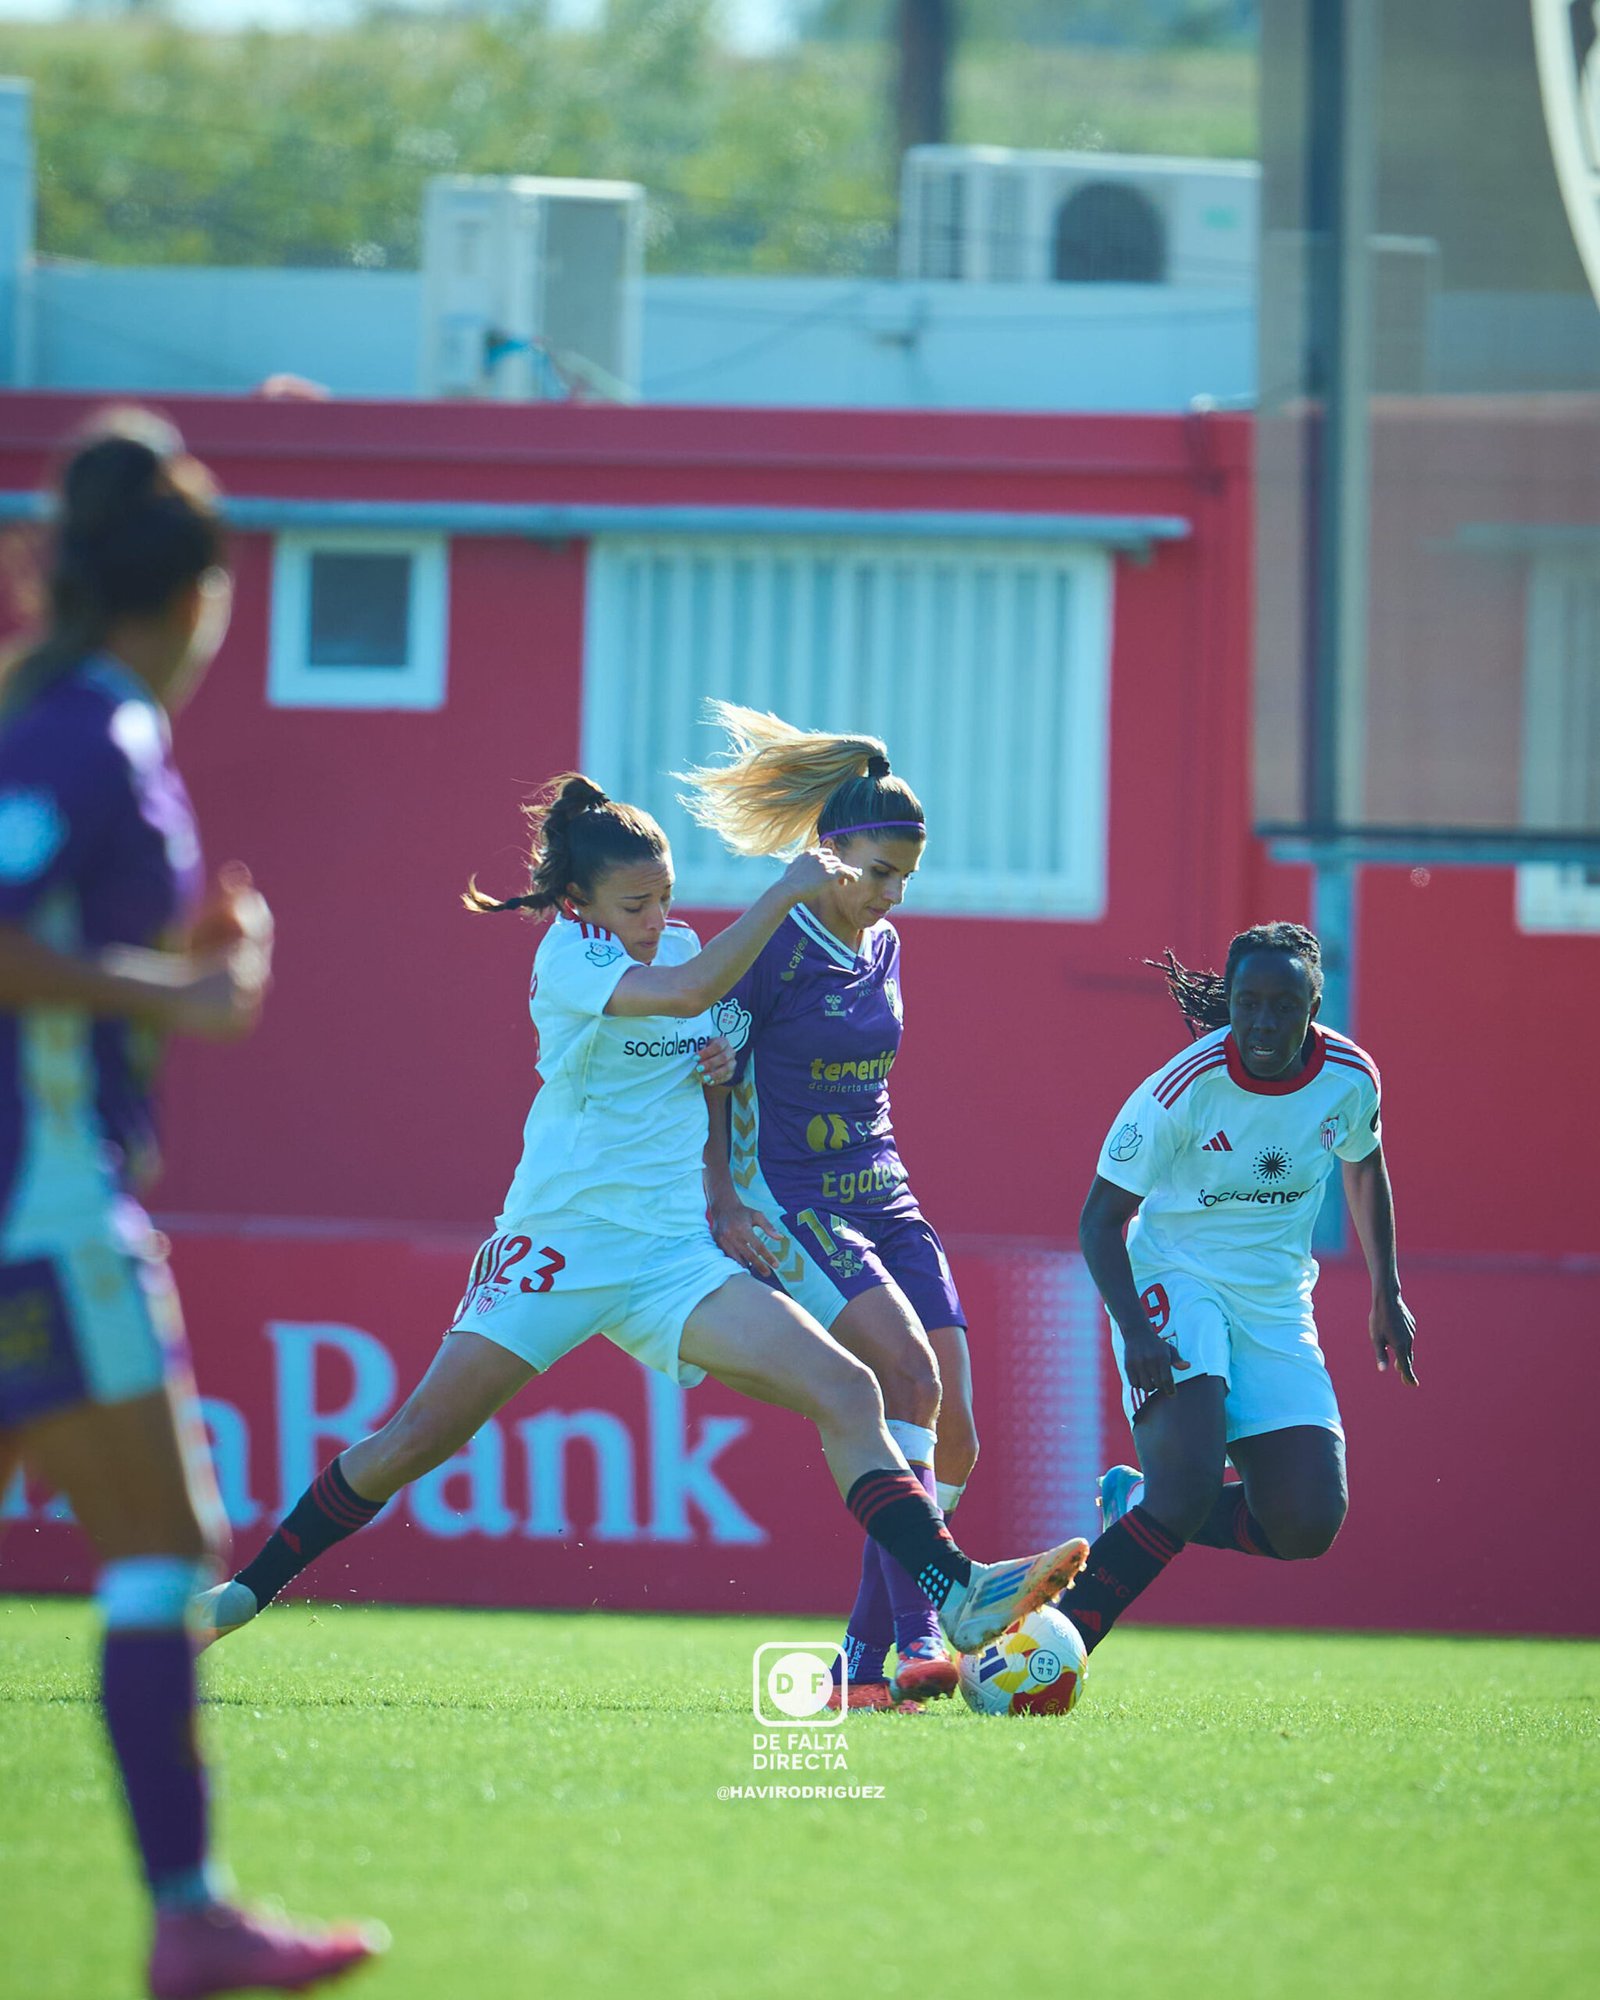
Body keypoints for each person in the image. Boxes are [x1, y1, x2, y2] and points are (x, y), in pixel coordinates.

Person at [196, 773, 1087, 1664]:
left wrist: (721, 1106)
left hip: (671, 1259)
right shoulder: (569, 957)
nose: (657, 918)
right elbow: (690, 987)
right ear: (580, 901)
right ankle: (239, 1596)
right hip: (560, 1248)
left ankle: (958, 1596)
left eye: (664, 896)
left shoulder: (684, 945)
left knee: (849, 1390)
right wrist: (782, 893)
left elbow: (711, 1053)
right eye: (635, 904)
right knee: (414, 1441)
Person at [0, 410, 382, 1999]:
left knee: (165, 1543)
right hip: (43, 1207)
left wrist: (169, 977)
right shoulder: (89, 734)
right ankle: (190, 1916)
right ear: (194, 598)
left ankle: (194, 1916)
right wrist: (188, 993)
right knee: (167, 1548)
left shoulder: (56, 724)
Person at [680, 703, 979, 1711]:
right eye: (876, 870)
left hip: (886, 1189)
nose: (890, 893)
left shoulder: (883, 944)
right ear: (827, 853)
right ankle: (925, 1632)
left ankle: (858, 1660)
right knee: (902, 1373)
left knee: (955, 1429)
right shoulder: (775, 940)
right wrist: (720, 1191)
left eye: (905, 875)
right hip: (796, 1197)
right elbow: (708, 1062)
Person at [1054, 921, 1418, 1655]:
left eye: (1284, 1005)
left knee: (1307, 1522)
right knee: (1185, 1488)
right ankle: (1053, 1644)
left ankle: (1134, 1503)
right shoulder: (1182, 1089)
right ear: (1232, 1001)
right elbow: (1100, 1221)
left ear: (1314, 1005)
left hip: (1277, 1303)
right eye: (1248, 1002)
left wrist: (1388, 1289)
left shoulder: (1350, 1077)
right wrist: (1137, 1330)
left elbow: (1365, 1162)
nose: (1263, 1022)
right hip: (1177, 1279)